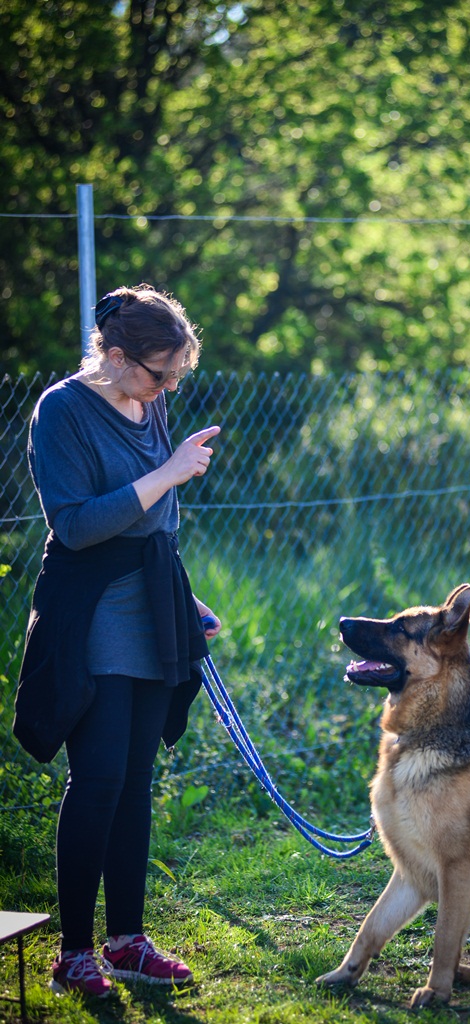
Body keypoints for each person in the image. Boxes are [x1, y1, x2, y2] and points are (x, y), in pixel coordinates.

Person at [13, 283, 222, 998]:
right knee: (98, 780)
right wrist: (169, 472)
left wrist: (183, 596)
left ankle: (127, 941)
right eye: (160, 372)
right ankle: (74, 954)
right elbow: (74, 526)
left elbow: (153, 521)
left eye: (176, 373)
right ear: (115, 354)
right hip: (92, 607)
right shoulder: (61, 410)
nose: (168, 387)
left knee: (136, 783)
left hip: (153, 603)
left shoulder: (149, 397)